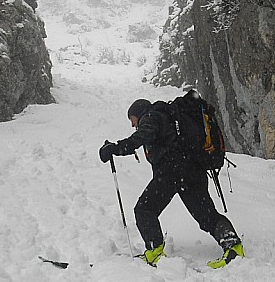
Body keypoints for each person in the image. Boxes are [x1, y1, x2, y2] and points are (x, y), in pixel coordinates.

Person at [99, 99, 245, 269]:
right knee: (206, 215)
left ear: (139, 113)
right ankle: (233, 246)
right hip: (193, 170)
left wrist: (116, 148)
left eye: (132, 119)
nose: (133, 124)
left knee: (144, 209)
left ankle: (155, 252)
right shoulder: (168, 116)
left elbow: (142, 135)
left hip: (171, 172)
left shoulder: (152, 116)